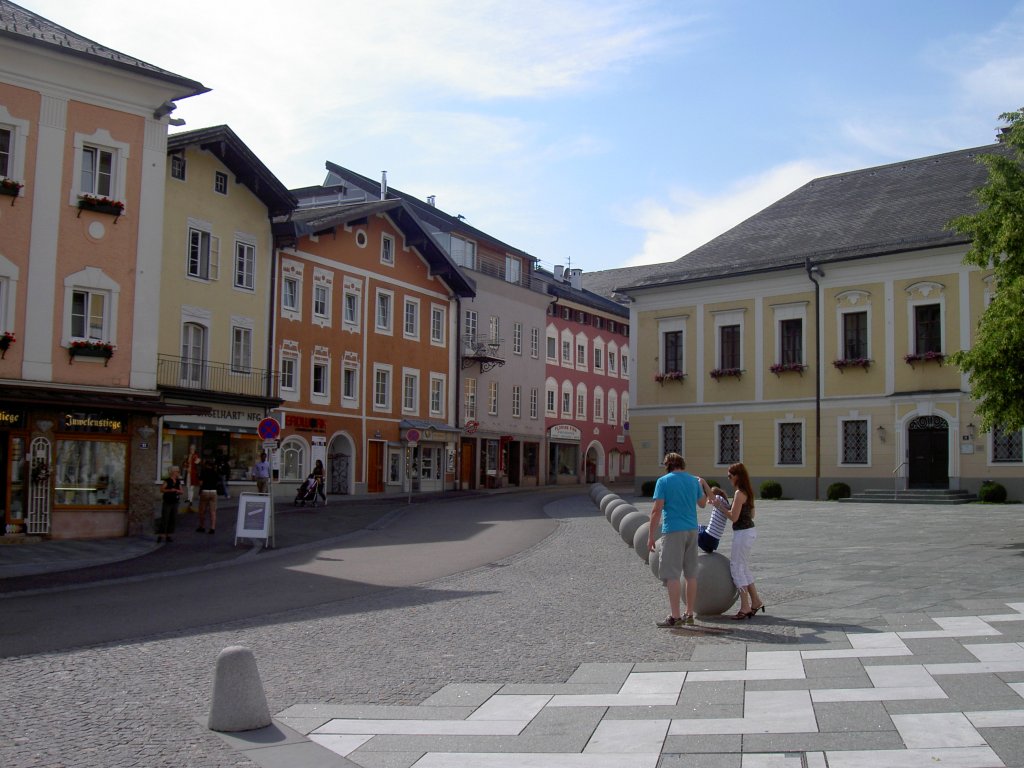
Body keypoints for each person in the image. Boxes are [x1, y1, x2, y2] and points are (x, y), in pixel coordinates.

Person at [648, 452, 708, 627]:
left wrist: (651, 535)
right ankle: (689, 613)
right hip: (692, 529)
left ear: (668, 465)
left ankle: (675, 616)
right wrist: (702, 484)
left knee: (672, 574)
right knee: (691, 574)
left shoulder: (664, 481)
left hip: (673, 530)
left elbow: (657, 510)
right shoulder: (692, 481)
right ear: (682, 464)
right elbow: (703, 504)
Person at [719, 462, 764, 620]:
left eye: (730, 476)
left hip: (742, 533)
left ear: (737, 476)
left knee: (736, 568)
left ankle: (745, 607)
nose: (729, 479)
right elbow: (751, 515)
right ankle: (756, 601)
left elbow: (733, 517)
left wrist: (720, 506)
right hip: (750, 531)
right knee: (743, 567)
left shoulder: (739, 493)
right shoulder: (748, 491)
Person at [696, 483, 730, 553]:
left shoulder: (718, 498)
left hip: (708, 538)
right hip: (714, 542)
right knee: (702, 527)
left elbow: (712, 498)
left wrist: (702, 484)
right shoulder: (725, 503)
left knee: (692, 528)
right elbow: (710, 501)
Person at [157, 465, 183, 543]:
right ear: (173, 472)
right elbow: (162, 489)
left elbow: (182, 491)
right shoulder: (167, 481)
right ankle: (161, 535)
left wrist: (178, 491)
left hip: (175, 501)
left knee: (173, 518)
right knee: (165, 518)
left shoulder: (178, 481)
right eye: (177, 471)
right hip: (167, 501)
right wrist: (170, 490)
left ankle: (169, 535)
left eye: (178, 472)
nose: (178, 473)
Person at [196, 458, 220, 534]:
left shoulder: (204, 472)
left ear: (206, 465)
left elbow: (200, 483)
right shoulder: (215, 472)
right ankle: (212, 527)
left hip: (205, 491)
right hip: (213, 492)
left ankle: (202, 526)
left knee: (202, 510)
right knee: (213, 511)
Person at [182, 444, 201, 513]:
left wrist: (196, 458)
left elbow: (197, 462)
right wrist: (185, 464)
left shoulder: (195, 455)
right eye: (190, 448)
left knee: (191, 487)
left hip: (193, 473)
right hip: (188, 473)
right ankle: (188, 498)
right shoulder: (188, 455)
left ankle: (190, 500)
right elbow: (185, 463)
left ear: (194, 449)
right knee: (188, 486)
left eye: (192, 449)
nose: (191, 450)